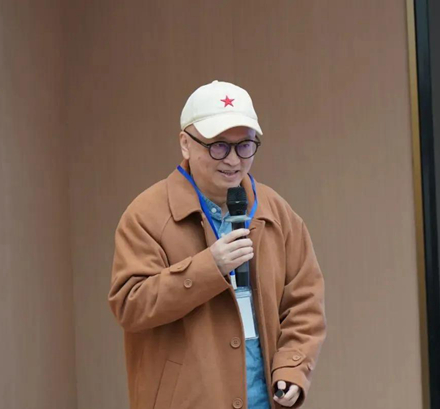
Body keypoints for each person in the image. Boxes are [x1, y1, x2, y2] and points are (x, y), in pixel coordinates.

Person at [108, 80, 326, 409]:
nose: (233, 160)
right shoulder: (146, 215)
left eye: (245, 146)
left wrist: (293, 367)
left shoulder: (276, 212)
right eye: (219, 146)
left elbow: (305, 302)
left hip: (265, 399)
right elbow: (130, 305)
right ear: (185, 144)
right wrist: (209, 267)